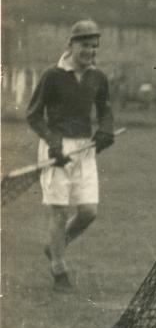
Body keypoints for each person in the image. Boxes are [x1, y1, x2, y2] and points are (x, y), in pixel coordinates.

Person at [25, 19, 116, 291]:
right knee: (60, 211)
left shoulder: (98, 77)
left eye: (93, 46)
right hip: (56, 149)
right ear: (71, 45)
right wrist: (53, 143)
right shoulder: (52, 75)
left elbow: (105, 111)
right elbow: (33, 115)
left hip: (84, 149)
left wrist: (106, 132)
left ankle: (55, 246)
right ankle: (59, 271)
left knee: (88, 212)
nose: (89, 51)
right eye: (84, 45)